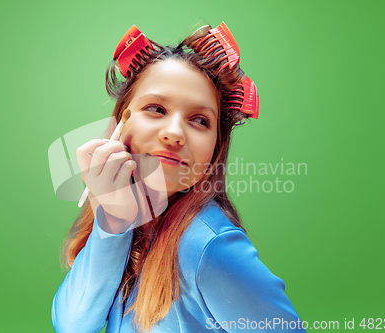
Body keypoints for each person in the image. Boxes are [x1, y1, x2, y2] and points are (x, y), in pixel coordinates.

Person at [51, 22, 306, 333]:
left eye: (199, 120)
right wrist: (114, 221)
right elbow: (73, 324)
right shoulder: (124, 220)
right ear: (120, 124)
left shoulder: (211, 248)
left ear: (215, 147)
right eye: (156, 109)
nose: (174, 133)